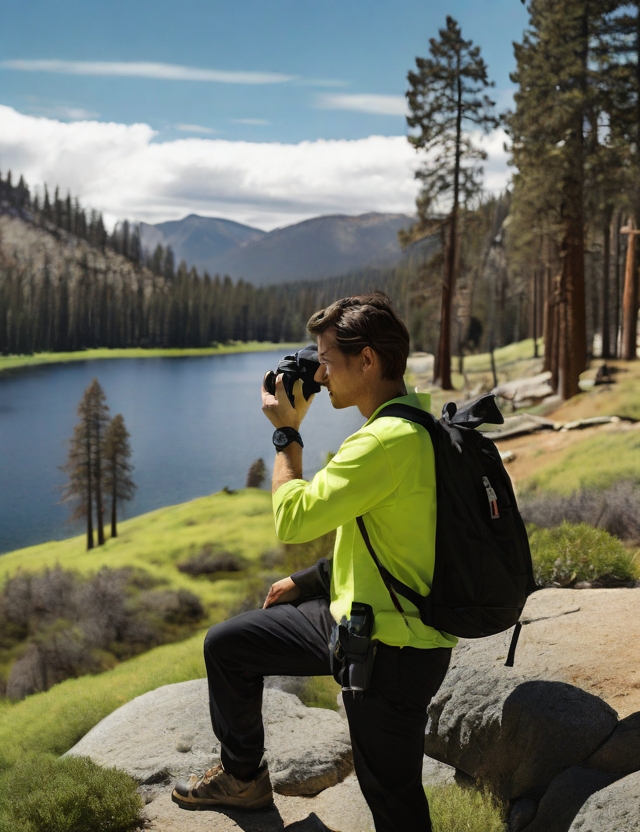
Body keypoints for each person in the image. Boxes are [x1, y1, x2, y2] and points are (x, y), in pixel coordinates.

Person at [172, 292, 457, 832]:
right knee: (229, 645)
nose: (321, 375)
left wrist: (287, 437)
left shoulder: (384, 443)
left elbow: (293, 519)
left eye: (327, 360)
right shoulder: (413, 422)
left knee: (390, 795)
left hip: (392, 649)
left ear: (367, 360)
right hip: (355, 621)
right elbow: (383, 539)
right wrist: (305, 582)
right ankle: (244, 779)